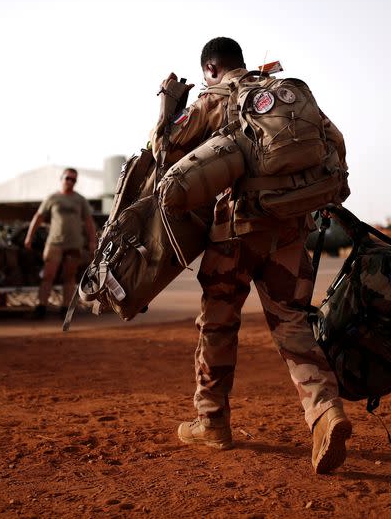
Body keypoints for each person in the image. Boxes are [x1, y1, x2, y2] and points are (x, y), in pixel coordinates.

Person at [151, 37, 352, 474]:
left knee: (218, 324)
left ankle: (212, 423)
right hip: (291, 231)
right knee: (293, 324)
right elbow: (334, 140)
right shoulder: (285, 94)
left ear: (210, 68)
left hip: (235, 233)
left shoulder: (214, 98)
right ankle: (325, 413)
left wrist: (168, 104)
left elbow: (163, 150)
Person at [24, 168, 97, 319]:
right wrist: (29, 236)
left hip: (74, 244)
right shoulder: (52, 198)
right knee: (48, 275)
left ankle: (66, 308)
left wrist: (92, 241)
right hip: (55, 243)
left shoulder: (80, 200)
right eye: (68, 178)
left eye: (73, 180)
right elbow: (38, 217)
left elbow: (89, 222)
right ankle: (41, 307)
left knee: (69, 277)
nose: (70, 182)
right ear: (62, 178)